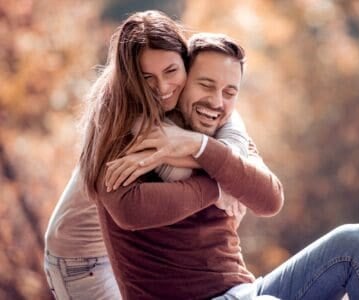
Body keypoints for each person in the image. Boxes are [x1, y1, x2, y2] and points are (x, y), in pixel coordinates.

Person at [95, 33, 359, 299]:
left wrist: (200, 147)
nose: (217, 102)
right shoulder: (132, 139)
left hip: (246, 291)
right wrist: (217, 187)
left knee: (357, 241)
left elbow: (270, 198)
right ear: (183, 81)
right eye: (206, 85)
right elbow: (129, 212)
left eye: (229, 92)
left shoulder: (227, 134)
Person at [44, 11, 247, 300]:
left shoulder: (190, 85)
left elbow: (231, 119)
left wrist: (228, 158)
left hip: (130, 253)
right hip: (82, 260)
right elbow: (181, 180)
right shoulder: (125, 119)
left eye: (171, 72)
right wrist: (220, 182)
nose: (162, 88)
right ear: (130, 77)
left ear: (186, 62)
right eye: (147, 77)